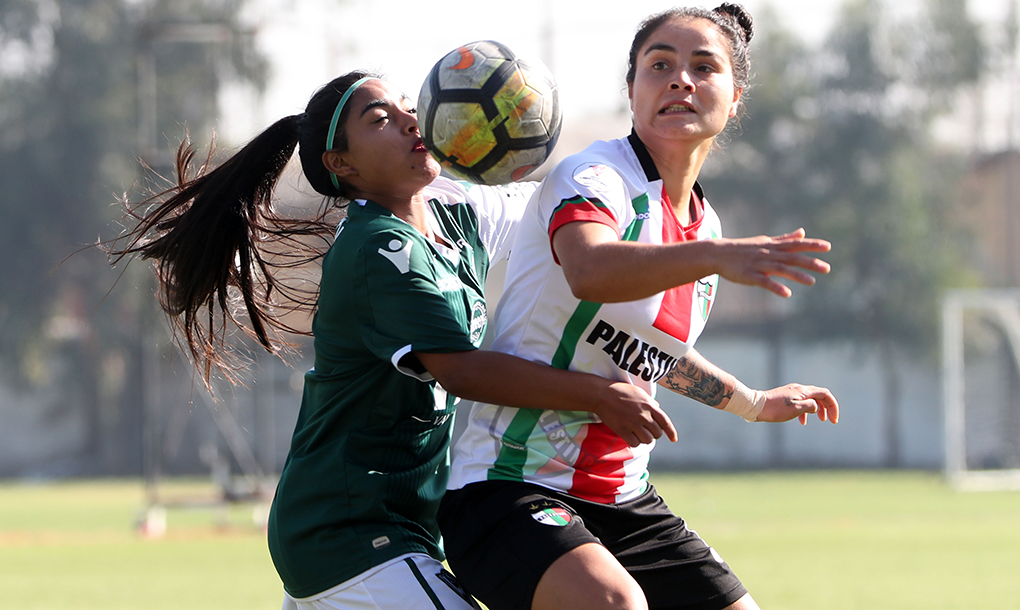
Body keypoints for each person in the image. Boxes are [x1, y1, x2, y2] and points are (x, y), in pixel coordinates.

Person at [108, 71, 679, 610]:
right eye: (380, 117)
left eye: (409, 106)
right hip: (352, 530)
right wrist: (599, 394)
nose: (411, 120)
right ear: (342, 163)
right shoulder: (380, 248)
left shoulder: (453, 216)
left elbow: (554, 207)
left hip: (388, 528)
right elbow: (463, 371)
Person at [438, 4, 841, 610]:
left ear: (734, 102)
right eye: (660, 64)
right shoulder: (593, 177)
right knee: (613, 605)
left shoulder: (705, 223)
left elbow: (656, 356)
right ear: (632, 90)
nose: (681, 78)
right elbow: (590, 270)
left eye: (704, 67)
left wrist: (755, 404)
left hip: (624, 501)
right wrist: (713, 255)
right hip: (507, 489)